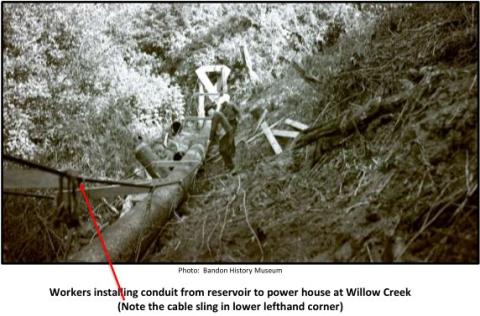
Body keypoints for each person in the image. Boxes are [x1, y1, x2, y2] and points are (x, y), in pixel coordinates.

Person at [208, 99, 241, 171]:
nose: (223, 106)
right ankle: (228, 164)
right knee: (222, 150)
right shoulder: (220, 110)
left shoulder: (231, 105)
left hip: (231, 124)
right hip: (227, 126)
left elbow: (213, 128)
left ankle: (231, 163)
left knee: (224, 149)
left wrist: (239, 118)